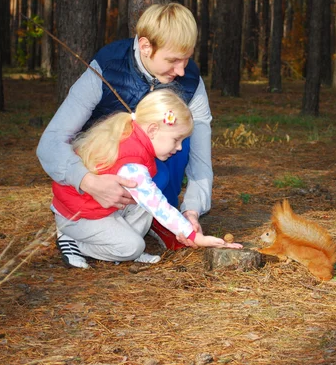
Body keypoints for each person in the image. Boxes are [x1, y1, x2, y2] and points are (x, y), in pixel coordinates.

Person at [37, 3, 217, 265]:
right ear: (145, 46)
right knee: (130, 239)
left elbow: (201, 159)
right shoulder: (107, 68)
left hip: (141, 182)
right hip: (102, 173)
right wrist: (87, 181)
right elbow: (50, 143)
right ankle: (79, 228)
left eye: (186, 58)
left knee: (180, 136)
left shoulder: (191, 81)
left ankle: (163, 216)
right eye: (172, 60)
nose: (181, 71)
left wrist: (192, 210)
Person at [51, 89, 242, 268]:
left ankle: (123, 248)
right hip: (79, 217)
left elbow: (151, 202)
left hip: (101, 209)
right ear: (152, 131)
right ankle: (76, 241)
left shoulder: (134, 138)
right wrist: (194, 236)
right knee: (133, 245)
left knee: (145, 208)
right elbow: (158, 204)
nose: (180, 148)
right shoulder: (132, 162)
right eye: (176, 139)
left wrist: (183, 227)